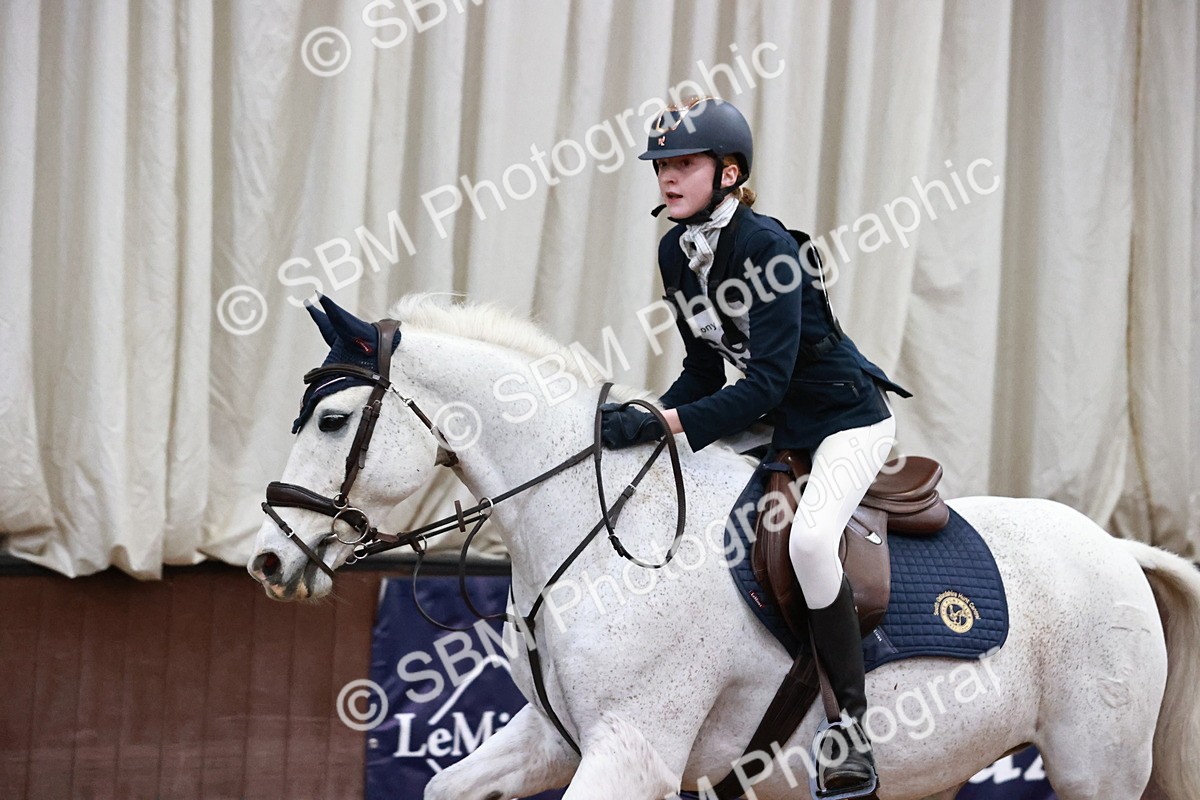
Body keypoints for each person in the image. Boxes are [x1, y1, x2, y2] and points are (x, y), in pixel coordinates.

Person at [600, 96, 912, 798]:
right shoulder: (676, 252)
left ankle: (851, 730)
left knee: (807, 543)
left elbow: (766, 383)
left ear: (729, 171)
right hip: (776, 418)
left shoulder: (767, 247)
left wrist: (664, 424)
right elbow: (705, 373)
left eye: (684, 165)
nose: (668, 180)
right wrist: (646, 414)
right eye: (661, 168)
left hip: (843, 420)